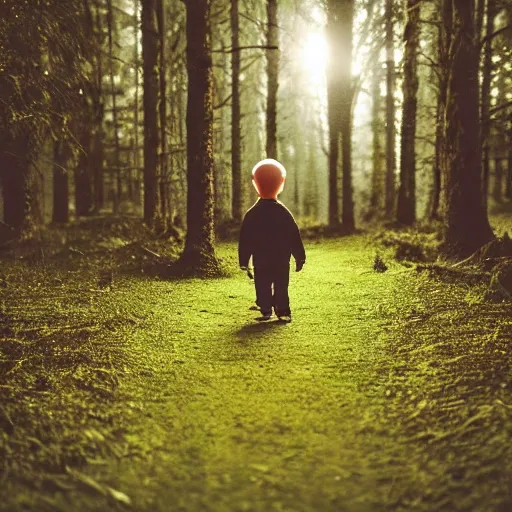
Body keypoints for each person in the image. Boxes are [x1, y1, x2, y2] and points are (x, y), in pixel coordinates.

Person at [238, 159, 306, 322]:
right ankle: (282, 310)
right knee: (281, 285)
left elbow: (245, 239)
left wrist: (243, 260)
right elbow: (294, 236)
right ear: (281, 183)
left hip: (261, 259)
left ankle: (266, 308)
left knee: (262, 285)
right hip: (281, 259)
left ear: (255, 183)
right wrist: (299, 257)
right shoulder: (284, 213)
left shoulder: (252, 214)